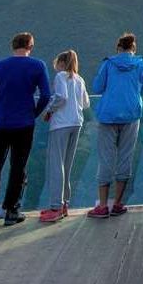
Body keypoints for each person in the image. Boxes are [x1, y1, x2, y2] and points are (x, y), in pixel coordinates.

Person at [0, 31, 52, 227]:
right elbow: (46, 95)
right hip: (24, 124)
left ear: (13, 46)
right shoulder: (37, 65)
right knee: (18, 167)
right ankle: (12, 211)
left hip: (0, 123)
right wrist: (33, 113)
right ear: (30, 46)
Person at [88, 32, 143, 218]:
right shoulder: (142, 65)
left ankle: (102, 206)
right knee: (126, 156)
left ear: (118, 48)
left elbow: (97, 87)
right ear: (134, 48)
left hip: (108, 114)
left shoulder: (108, 64)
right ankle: (118, 203)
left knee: (105, 158)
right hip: (131, 114)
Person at [38, 49, 89, 224]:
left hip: (61, 124)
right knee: (67, 165)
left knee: (56, 165)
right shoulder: (80, 79)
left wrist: (48, 110)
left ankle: (55, 207)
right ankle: (65, 203)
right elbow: (86, 103)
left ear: (61, 63)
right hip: (77, 122)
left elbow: (61, 97)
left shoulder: (61, 76)